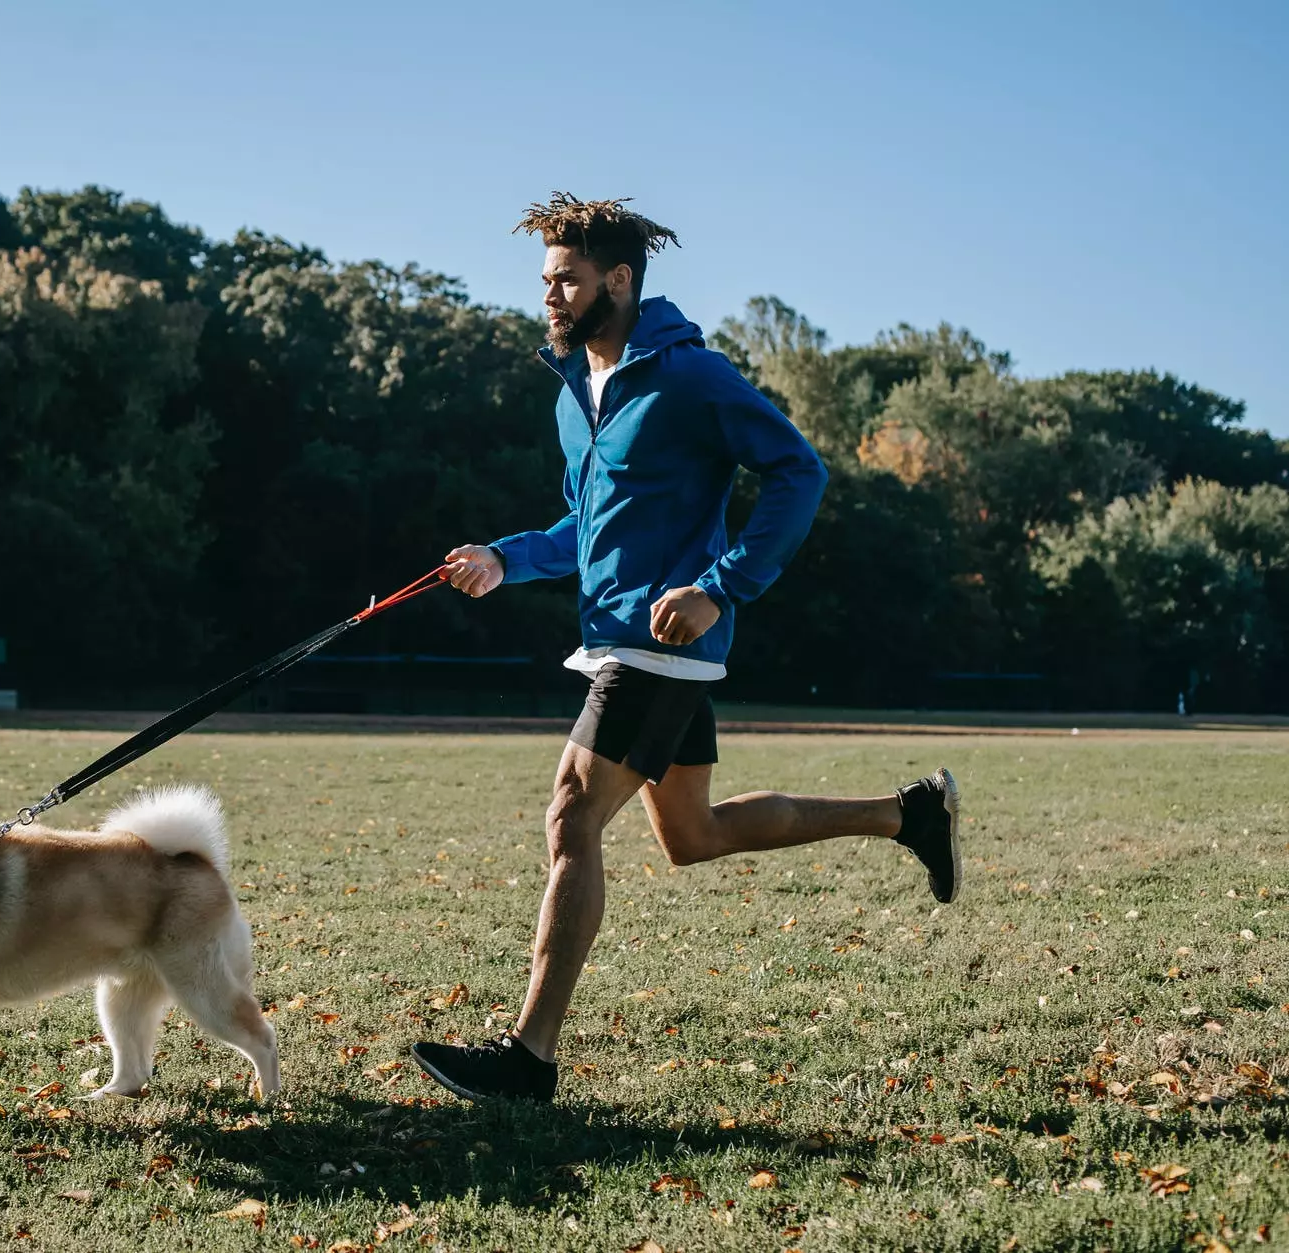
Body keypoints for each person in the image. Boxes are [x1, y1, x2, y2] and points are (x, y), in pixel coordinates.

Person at [411, 193, 960, 1103]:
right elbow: (585, 527)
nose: (550, 297)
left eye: (568, 280)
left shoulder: (690, 377)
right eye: (545, 281)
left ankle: (528, 1057)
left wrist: (722, 585)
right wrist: (503, 560)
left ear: (617, 281)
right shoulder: (576, 392)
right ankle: (909, 814)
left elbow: (799, 468)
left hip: (657, 643)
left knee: (571, 816)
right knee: (692, 834)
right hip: (622, 637)